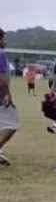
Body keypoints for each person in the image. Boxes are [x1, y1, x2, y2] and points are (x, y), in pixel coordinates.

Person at [0, 28, 18, 167]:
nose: (5, 41)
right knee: (12, 125)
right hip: (1, 94)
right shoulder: (1, 54)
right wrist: (7, 94)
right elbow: (3, 78)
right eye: (3, 38)